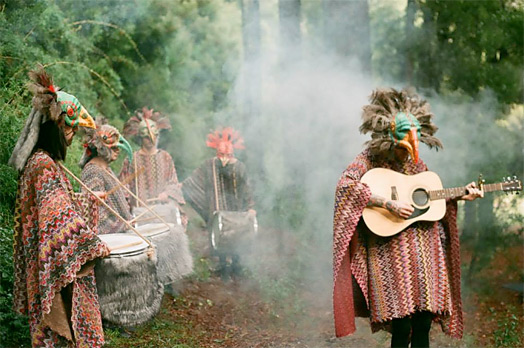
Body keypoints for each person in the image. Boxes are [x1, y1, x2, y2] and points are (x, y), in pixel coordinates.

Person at [332, 88, 483, 348]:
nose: (410, 142)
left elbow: (428, 201)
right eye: (404, 132)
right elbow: (345, 186)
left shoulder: (418, 165)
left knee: (423, 322)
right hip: (388, 254)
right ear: (388, 132)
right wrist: (387, 203)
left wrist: (459, 196)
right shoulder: (369, 159)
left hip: (424, 253)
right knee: (401, 324)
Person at [8, 65, 110, 347]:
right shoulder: (42, 165)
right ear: (54, 127)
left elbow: (58, 205)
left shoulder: (45, 163)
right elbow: (57, 221)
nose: (71, 136)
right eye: (68, 128)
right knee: (58, 332)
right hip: (51, 264)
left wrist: (89, 199)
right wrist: (95, 246)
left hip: (50, 261)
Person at [182, 127, 256, 281]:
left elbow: (247, 187)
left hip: (236, 209)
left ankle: (236, 265)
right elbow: (194, 180)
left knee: (237, 235)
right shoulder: (209, 165)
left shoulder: (240, 167)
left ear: (233, 153)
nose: (224, 158)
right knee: (219, 236)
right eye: (221, 154)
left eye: (227, 155)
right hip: (216, 206)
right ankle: (223, 268)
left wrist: (250, 207)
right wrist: (179, 187)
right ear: (216, 152)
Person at [119, 107, 186, 223]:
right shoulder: (132, 159)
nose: (151, 139)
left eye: (153, 135)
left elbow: (173, 182)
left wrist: (167, 194)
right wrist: (129, 201)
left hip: (163, 213)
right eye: (146, 137)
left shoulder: (165, 157)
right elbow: (123, 186)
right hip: (139, 214)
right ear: (140, 137)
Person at [80, 118, 134, 234]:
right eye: (114, 147)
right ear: (100, 146)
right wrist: (122, 226)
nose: (118, 150)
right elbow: (96, 214)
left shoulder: (106, 169)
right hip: (110, 242)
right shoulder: (92, 172)